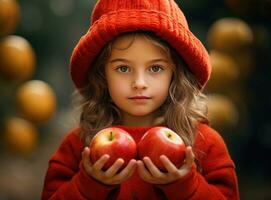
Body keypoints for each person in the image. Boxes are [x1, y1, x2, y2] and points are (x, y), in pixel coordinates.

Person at [42, 0, 240, 199]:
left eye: (155, 68)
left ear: (176, 74)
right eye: (123, 68)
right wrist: (88, 185)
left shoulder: (204, 143)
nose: (139, 83)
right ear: (102, 76)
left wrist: (186, 186)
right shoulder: (80, 145)